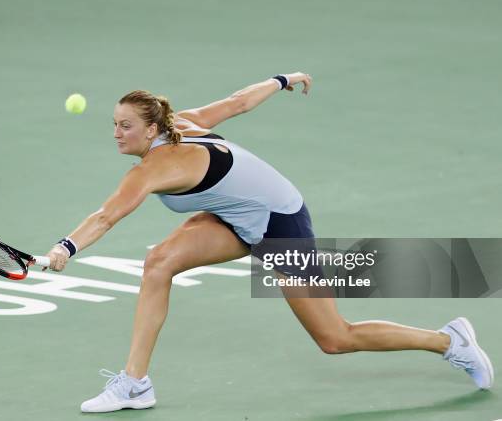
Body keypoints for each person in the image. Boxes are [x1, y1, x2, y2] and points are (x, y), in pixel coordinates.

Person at [40, 73, 494, 413]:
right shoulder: (181, 124)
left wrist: (65, 248)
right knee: (159, 263)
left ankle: (447, 340)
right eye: (114, 124)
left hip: (279, 222)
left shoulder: (152, 169)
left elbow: (106, 216)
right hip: (234, 216)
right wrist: (282, 80)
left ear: (152, 129)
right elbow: (239, 103)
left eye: (125, 126)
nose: (116, 134)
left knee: (335, 338)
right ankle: (135, 383)